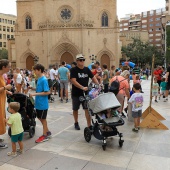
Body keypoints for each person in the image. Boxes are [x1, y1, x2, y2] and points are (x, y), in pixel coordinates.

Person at [70, 54, 98, 130]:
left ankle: (89, 125)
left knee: (87, 109)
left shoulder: (86, 69)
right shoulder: (73, 70)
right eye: (80, 60)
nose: (82, 61)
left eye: (83, 60)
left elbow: (93, 77)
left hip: (86, 93)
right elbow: (73, 81)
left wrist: (98, 85)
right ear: (77, 61)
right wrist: (82, 87)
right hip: (76, 93)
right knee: (75, 109)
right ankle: (76, 122)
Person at [29, 64, 51, 143]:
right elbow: (40, 89)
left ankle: (44, 135)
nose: (34, 72)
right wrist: (33, 88)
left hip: (42, 104)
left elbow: (47, 92)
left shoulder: (44, 79)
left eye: (35, 70)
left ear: (39, 70)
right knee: (40, 117)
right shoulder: (39, 79)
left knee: (43, 119)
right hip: (38, 103)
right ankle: (47, 131)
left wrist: (34, 94)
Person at [0, 59, 12, 148]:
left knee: (1, 118)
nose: (10, 68)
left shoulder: (1, 75)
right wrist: (5, 87)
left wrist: (7, 92)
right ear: (3, 67)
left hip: (1, 101)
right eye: (9, 67)